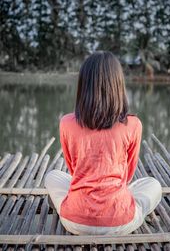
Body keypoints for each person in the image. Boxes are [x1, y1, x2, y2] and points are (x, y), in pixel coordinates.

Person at [44, 51, 162, 235]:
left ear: (83, 85)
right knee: (153, 185)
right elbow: (127, 175)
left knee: (52, 176)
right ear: (118, 85)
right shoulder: (133, 124)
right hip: (120, 221)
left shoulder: (66, 122)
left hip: (74, 221)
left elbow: (74, 169)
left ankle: (74, 205)